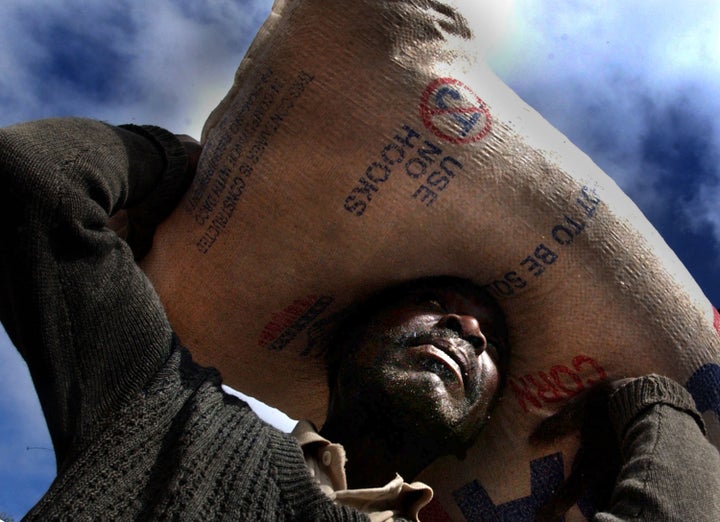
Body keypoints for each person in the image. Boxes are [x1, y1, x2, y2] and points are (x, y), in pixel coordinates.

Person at [1, 118, 719, 521]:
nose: (467, 331)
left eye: (490, 341)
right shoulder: (170, 416)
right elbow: (36, 179)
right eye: (437, 305)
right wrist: (193, 171)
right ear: (348, 340)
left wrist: (653, 402)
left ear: (482, 424)